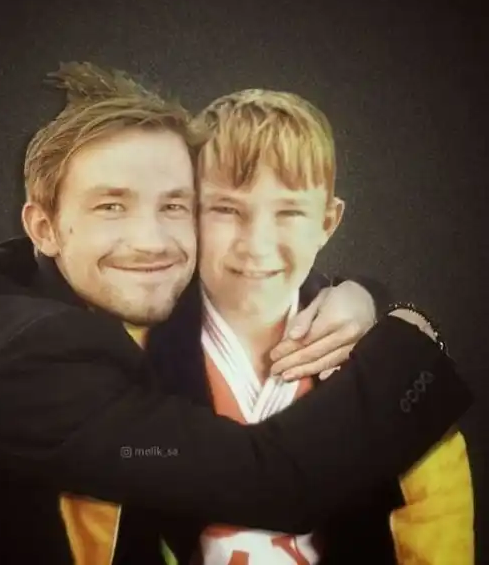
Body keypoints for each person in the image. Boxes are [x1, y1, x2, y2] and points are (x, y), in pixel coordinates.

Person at [0, 63, 471, 565]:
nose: (151, 243)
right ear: (44, 227)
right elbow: (271, 481)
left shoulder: (32, 285)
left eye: (173, 205)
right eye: (111, 205)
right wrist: (412, 332)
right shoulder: (33, 365)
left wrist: (363, 293)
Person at [148, 89, 474, 564]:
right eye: (226, 209)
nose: (256, 244)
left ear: (328, 222)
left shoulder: (383, 363)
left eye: (289, 212)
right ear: (189, 211)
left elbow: (432, 516)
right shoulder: (138, 349)